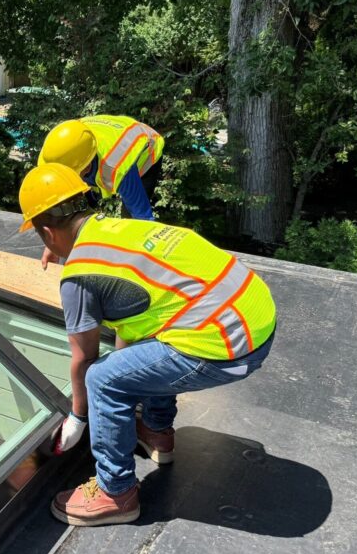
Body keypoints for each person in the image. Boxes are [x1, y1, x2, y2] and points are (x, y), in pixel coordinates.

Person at [18, 163, 277, 526]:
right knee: (149, 337)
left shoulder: (78, 278)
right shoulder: (123, 228)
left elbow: (84, 357)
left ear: (46, 232)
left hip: (228, 345)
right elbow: (137, 309)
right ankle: (155, 431)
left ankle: (116, 493)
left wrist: (78, 417)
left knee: (102, 379)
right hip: (256, 314)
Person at [37, 115, 164, 268]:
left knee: (131, 222)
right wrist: (54, 245)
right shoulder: (58, 152)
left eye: (72, 176)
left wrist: (147, 263)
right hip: (109, 137)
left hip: (147, 146)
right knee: (80, 209)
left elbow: (144, 219)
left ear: (87, 167)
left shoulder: (118, 166)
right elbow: (64, 202)